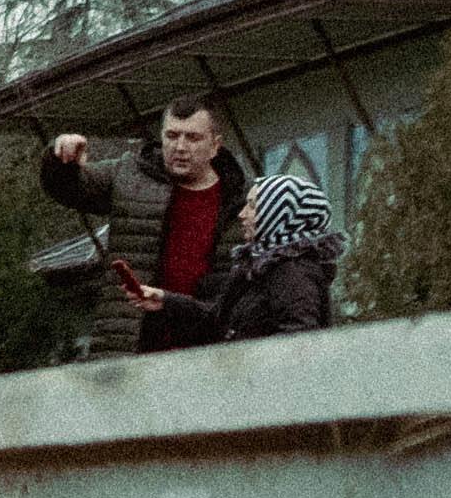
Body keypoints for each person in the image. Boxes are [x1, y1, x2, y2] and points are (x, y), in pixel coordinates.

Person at [39, 98, 238, 357]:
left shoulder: (239, 200)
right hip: (128, 345)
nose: (180, 147)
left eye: (192, 138)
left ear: (215, 146)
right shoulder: (131, 174)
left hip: (207, 352)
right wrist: (61, 158)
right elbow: (70, 188)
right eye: (172, 135)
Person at [194, 170, 337, 343]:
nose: (242, 214)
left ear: (277, 214)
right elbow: (218, 315)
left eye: (253, 206)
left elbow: (298, 344)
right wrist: (165, 300)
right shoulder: (261, 264)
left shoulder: (293, 273)